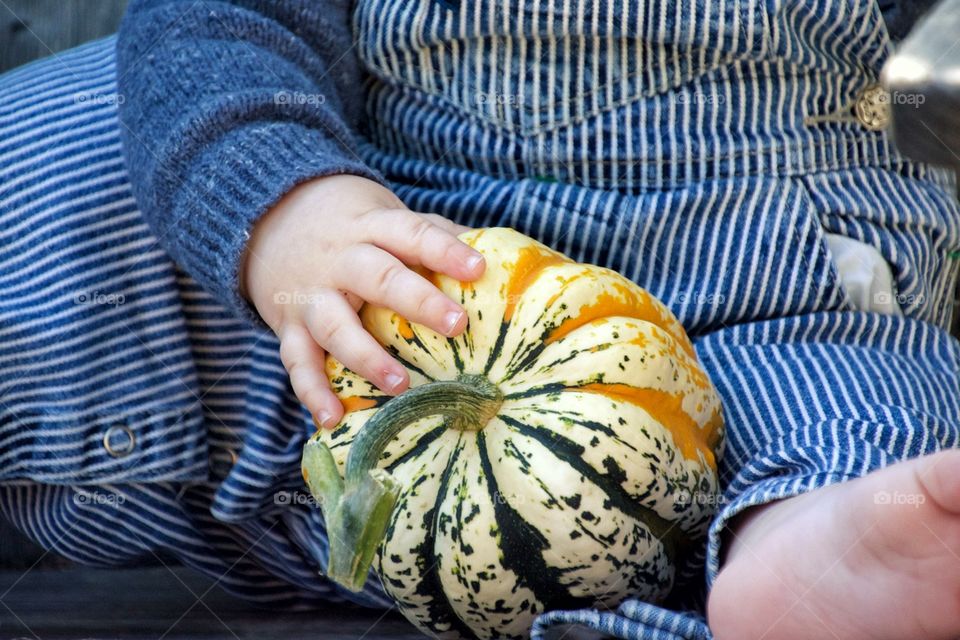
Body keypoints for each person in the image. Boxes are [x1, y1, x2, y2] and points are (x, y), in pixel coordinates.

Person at [0, 0, 957, 638]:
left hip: (767, 251)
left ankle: (805, 544)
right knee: (62, 172)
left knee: (854, 400)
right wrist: (287, 207)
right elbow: (217, 23)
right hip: (388, 234)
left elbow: (938, 65)